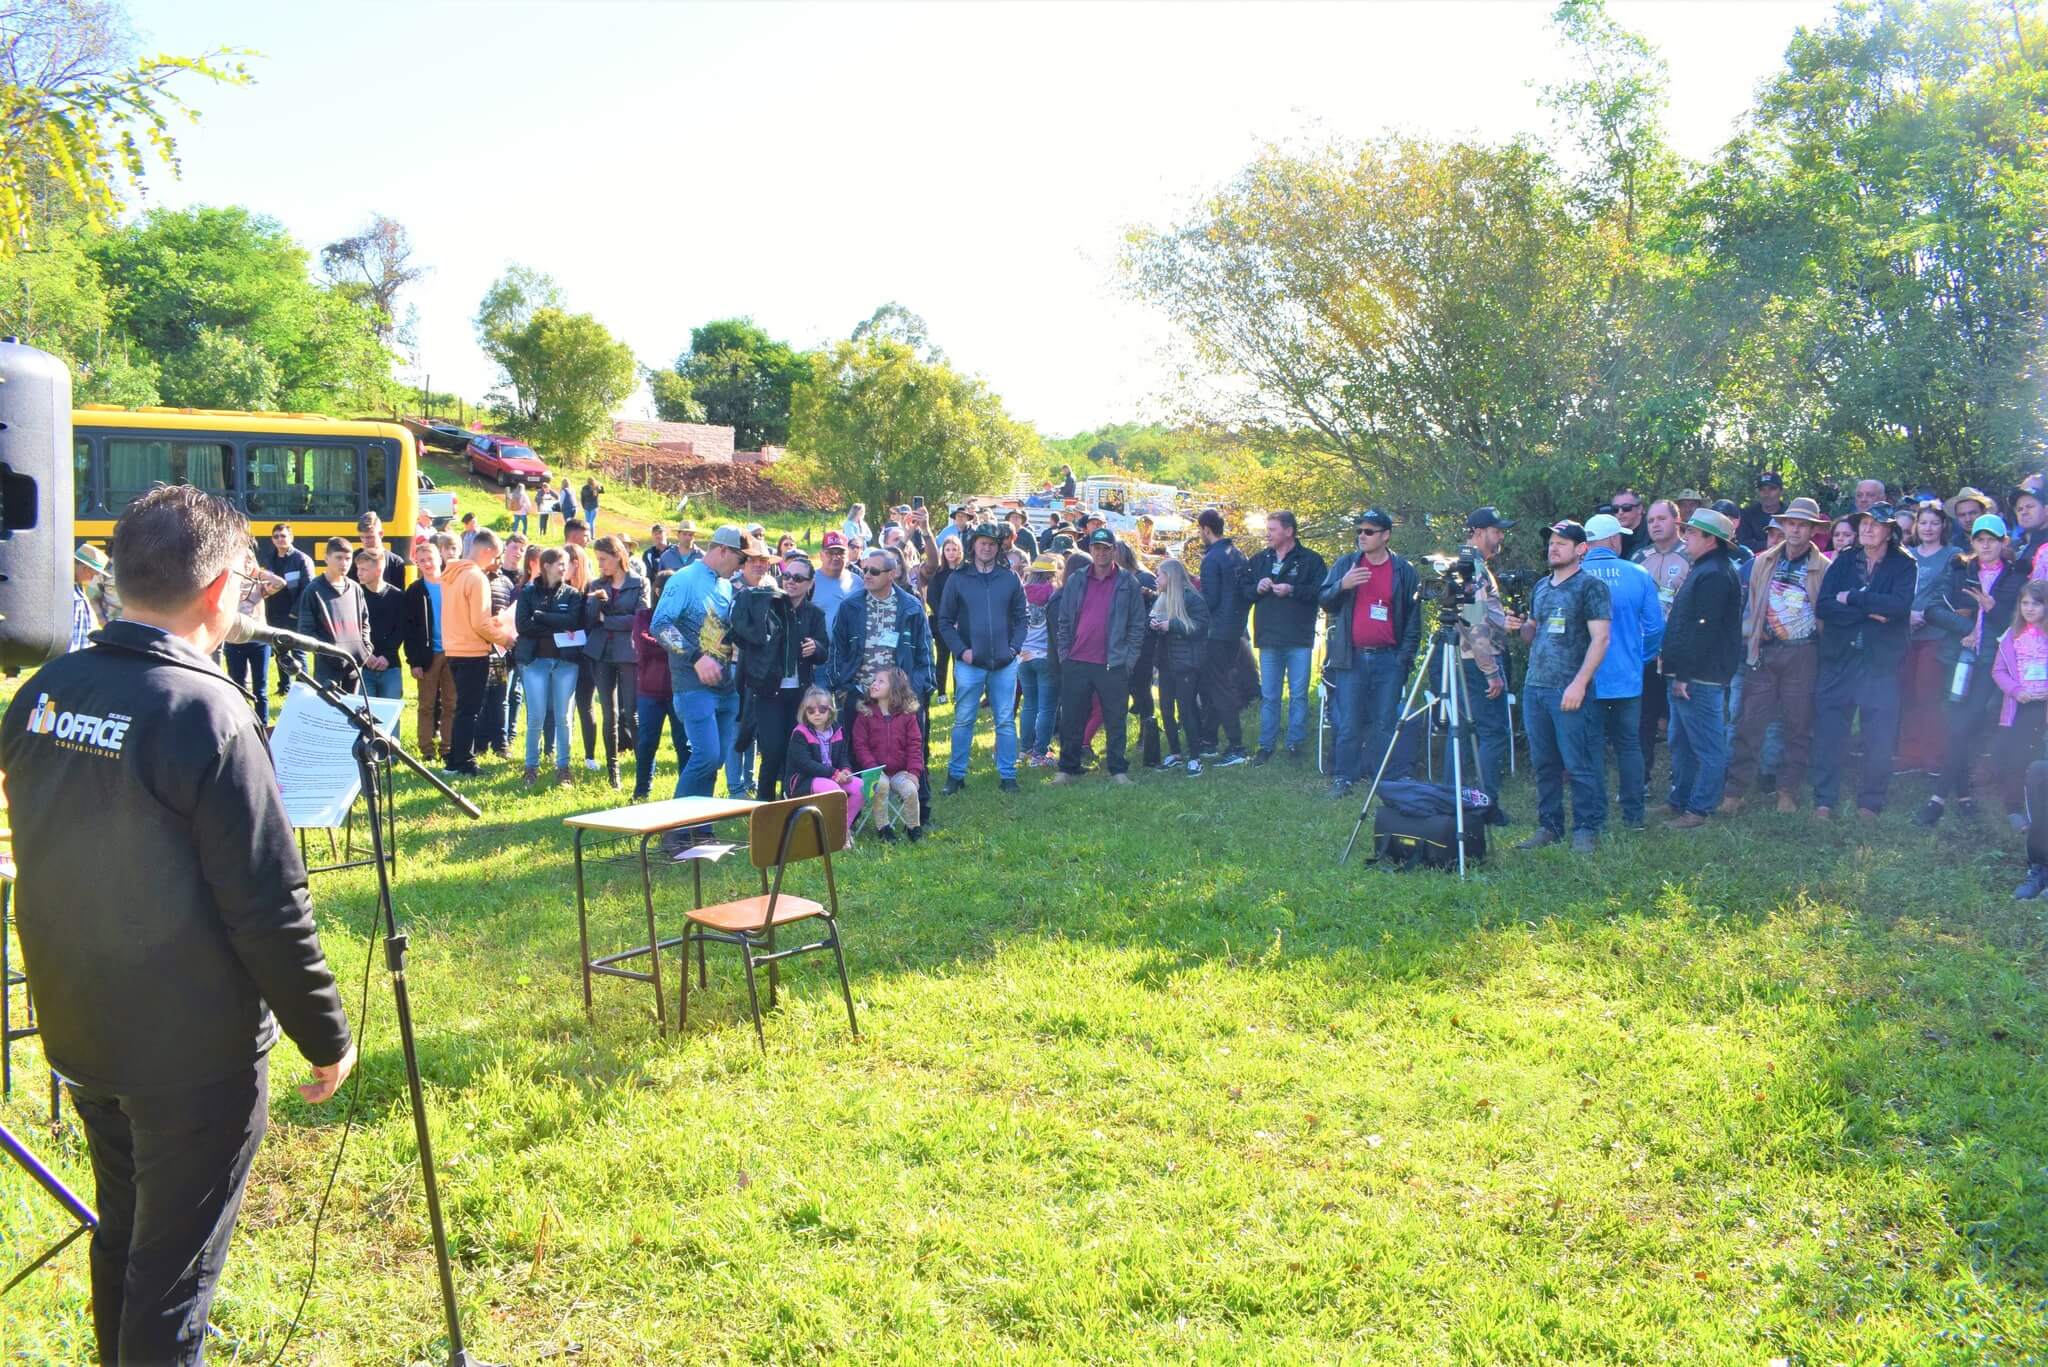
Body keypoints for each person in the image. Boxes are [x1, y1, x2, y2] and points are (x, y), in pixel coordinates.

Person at [1, 484, 355, 1366]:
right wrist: (326, 1034)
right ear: (223, 588)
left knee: (126, 1237)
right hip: (192, 1056)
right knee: (171, 1280)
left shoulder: (44, 691)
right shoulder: (210, 712)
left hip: (81, 1024)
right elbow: (269, 904)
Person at [1506, 521, 1612, 853]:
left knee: (1579, 763)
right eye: (1552, 542)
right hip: (1535, 687)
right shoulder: (1541, 586)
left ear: (1581, 549)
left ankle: (1586, 828)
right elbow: (1532, 633)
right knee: (1544, 763)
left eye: (1562, 543)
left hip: (1569, 688)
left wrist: (1579, 683)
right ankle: (1549, 826)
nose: (1553, 547)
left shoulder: (1591, 587)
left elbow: (1601, 639)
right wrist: (1518, 626)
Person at [1723, 497, 1829, 814]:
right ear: (1783, 526)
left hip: (1804, 652)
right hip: (1765, 651)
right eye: (1791, 523)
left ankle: (1787, 791)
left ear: (1813, 530)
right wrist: (1753, 633)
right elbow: (1747, 601)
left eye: (1803, 525)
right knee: (1749, 722)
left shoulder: (1824, 567)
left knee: (1798, 724)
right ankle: (1734, 791)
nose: (1795, 530)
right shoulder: (1763, 561)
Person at [1917, 515, 2023, 828]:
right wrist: (1966, 627)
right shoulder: (1959, 570)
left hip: (1991, 663)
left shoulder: (2016, 576)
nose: (1986, 545)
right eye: (1980, 539)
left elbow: (2021, 622)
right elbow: (1932, 609)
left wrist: (1992, 608)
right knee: (1956, 727)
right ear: (1972, 542)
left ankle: (1937, 799)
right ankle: (1963, 797)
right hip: (1958, 659)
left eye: (1992, 540)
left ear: (2004, 542)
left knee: (1965, 726)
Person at [1811, 502, 1915, 818]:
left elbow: (1898, 607)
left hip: (1880, 663)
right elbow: (1824, 606)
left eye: (1875, 524)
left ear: (1890, 531)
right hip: (1840, 658)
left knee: (1879, 736)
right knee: (1830, 731)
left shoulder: (1904, 564)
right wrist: (1869, 612)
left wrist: (1854, 598)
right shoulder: (1844, 560)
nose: (1867, 528)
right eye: (1863, 523)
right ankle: (1824, 800)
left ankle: (1871, 803)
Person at [1319, 509, 1421, 798]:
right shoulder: (1346, 564)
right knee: (1348, 722)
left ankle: (1382, 778)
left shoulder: (1404, 571)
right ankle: (1344, 777)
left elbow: (1414, 621)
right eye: (1359, 531)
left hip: (1389, 658)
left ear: (1386, 535)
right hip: (1351, 657)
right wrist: (1342, 585)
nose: (1361, 536)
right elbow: (1323, 600)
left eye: (1369, 531)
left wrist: (1403, 660)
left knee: (1384, 722)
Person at [1657, 508, 1743, 828]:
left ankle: (1700, 809)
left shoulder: (1715, 574)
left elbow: (1703, 630)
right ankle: (1680, 801)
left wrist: (1684, 674)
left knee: (1707, 746)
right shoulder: (1705, 569)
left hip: (1700, 676)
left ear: (1711, 540)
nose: (1686, 537)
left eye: (1692, 533)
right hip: (1689, 673)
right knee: (1681, 742)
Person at [652, 525, 746, 817]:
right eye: (740, 559)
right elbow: (660, 624)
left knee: (715, 760)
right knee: (706, 756)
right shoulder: (685, 579)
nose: (741, 566)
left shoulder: (726, 585)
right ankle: (674, 827)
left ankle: (700, 827)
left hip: (725, 688)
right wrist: (696, 658)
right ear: (723, 550)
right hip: (692, 685)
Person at [1579, 513, 1663, 830]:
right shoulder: (1638, 574)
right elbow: (1655, 627)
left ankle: (1596, 818)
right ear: (1614, 539)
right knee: (1629, 745)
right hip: (1627, 678)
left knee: (1592, 747)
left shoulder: (1575, 575)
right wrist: (1641, 657)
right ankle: (1633, 816)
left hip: (1586, 679)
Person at [1052, 528, 1149, 785]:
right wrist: (1065, 654)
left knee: (1116, 718)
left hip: (1113, 662)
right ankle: (1067, 768)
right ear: (1090, 549)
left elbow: (1138, 624)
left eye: (1106, 548)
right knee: (1071, 717)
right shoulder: (1077, 579)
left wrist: (1129, 659)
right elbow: (1064, 619)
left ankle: (1118, 770)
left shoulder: (1128, 582)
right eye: (1097, 547)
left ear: (1114, 550)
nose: (1101, 552)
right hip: (1076, 658)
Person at [937, 522, 1028, 794]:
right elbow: (944, 620)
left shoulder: (1010, 578)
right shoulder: (958, 578)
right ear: (973, 546)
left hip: (1004, 663)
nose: (986, 548)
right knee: (963, 719)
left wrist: (1013, 649)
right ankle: (956, 775)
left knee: (1005, 720)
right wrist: (961, 651)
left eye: (991, 544)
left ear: (998, 547)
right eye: (982, 543)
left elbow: (1022, 618)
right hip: (970, 663)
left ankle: (1008, 775)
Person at [737, 551, 829, 801]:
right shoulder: (768, 607)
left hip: (800, 694)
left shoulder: (815, 614)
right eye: (787, 575)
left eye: (798, 578)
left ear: (810, 583)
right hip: (769, 691)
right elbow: (748, 641)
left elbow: (824, 652)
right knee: (772, 751)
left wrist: (816, 648)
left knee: (796, 752)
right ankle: (764, 806)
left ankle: (792, 802)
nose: (790, 581)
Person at [1241, 509, 1328, 765]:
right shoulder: (1259, 560)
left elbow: (1321, 592)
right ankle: (1266, 745)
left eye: (1272, 529)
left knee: (1298, 694)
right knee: (1270, 695)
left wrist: (1292, 589)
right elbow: (1243, 590)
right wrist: (1257, 588)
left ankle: (1295, 744)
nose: (1267, 534)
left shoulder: (1311, 560)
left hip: (1298, 638)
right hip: (1268, 638)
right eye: (1267, 529)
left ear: (1289, 531)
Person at [439, 530, 516, 776]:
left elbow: (465, 617)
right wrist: (506, 639)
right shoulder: (476, 577)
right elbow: (479, 624)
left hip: (454, 648)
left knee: (462, 708)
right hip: (472, 651)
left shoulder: (452, 574)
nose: (496, 562)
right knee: (469, 711)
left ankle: (454, 760)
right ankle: (464, 761)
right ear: (486, 551)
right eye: (495, 556)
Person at [1457, 506, 1515, 817]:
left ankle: (1461, 801)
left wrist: (1505, 622)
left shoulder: (1469, 564)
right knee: (1493, 734)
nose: (1501, 536)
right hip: (1481, 659)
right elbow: (1474, 621)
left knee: (1468, 732)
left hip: (1472, 659)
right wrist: (1491, 670)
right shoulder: (1473, 568)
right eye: (1496, 531)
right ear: (1478, 532)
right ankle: (1486, 806)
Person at [582, 535, 649, 788]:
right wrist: (596, 604)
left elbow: (639, 619)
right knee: (608, 715)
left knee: (632, 714)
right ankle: (614, 774)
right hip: (601, 653)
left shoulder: (639, 582)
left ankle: (643, 773)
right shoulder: (597, 584)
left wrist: (607, 619)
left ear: (618, 556)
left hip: (628, 653)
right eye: (598, 559)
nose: (600, 564)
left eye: (603, 559)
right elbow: (590, 620)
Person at [515, 547, 586, 786]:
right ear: (546, 566)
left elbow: (572, 621)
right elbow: (523, 626)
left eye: (566, 564)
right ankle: (530, 767)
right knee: (536, 716)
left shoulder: (573, 594)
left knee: (564, 717)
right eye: (561, 564)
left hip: (565, 663)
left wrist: (540, 616)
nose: (565, 568)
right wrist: (556, 626)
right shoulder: (527, 593)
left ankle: (563, 768)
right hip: (535, 662)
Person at [1631, 499, 1691, 777]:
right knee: (1643, 717)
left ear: (1676, 521)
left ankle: (1682, 778)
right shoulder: (1639, 558)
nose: (1655, 524)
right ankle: (1641, 778)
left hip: (1679, 651)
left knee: (1680, 718)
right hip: (1645, 651)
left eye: (1661, 519)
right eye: (1651, 520)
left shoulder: (1691, 555)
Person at [1900, 502, 1961, 773]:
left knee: (1928, 694)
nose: (1928, 528)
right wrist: (1907, 614)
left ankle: (1934, 756)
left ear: (1943, 526)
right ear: (1916, 526)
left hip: (1935, 634)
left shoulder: (1953, 555)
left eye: (1934, 523)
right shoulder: (1907, 554)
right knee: (1907, 693)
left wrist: (1925, 612)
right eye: (1923, 522)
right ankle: (1909, 755)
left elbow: (1949, 591)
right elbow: (1899, 590)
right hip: (1906, 633)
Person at [1193, 508, 1252, 767]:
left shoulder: (1212, 558)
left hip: (1216, 632)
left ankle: (1236, 745)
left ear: (1206, 529)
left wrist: (1190, 605)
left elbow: (1211, 599)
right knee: (1215, 684)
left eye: (1200, 530)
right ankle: (1209, 740)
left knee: (1219, 687)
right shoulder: (1237, 554)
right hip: (1235, 629)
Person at [1150, 556, 1213, 775]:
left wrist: (1172, 625)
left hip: (1186, 663)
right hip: (1165, 663)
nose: (1156, 579)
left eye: (1159, 575)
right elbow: (1155, 621)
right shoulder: (1162, 599)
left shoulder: (1193, 599)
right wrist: (1154, 624)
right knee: (1166, 709)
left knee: (1186, 709)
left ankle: (1195, 756)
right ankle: (1175, 753)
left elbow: (1200, 627)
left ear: (1170, 576)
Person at [854, 666, 926, 841]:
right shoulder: (865, 714)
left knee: (910, 789)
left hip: (900, 771)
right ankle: (883, 828)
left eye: (881, 681)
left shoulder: (907, 715)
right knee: (881, 785)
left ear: (894, 688)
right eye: (874, 681)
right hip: (875, 770)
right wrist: (873, 768)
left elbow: (915, 745)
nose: (874, 684)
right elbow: (860, 745)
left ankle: (913, 828)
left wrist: (914, 772)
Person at [784, 686, 862, 843]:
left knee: (861, 787)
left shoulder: (837, 730)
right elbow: (806, 764)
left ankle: (842, 830)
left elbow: (843, 756)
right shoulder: (800, 733)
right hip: (803, 780)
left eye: (822, 709)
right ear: (804, 712)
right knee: (834, 790)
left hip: (832, 775)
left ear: (831, 710)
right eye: (811, 710)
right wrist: (834, 773)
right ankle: (833, 833)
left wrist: (846, 770)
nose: (817, 713)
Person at [401, 538, 453, 762]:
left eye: (430, 558)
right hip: (427, 655)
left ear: (439, 558)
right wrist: (414, 661)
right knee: (426, 705)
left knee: (451, 703)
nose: (427, 563)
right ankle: (427, 749)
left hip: (453, 652)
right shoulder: (415, 590)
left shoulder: (452, 584)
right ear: (417, 564)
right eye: (421, 561)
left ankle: (448, 747)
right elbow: (409, 629)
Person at [295, 536, 370, 687]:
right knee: (328, 702)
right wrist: (329, 652)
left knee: (353, 703)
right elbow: (306, 630)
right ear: (326, 558)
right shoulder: (314, 590)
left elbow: (364, 622)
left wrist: (365, 648)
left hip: (354, 666)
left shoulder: (355, 588)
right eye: (338, 558)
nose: (344, 563)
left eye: (348, 559)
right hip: (327, 669)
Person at [220, 545, 285, 720]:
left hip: (258, 642)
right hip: (235, 641)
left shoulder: (259, 586)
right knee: (238, 686)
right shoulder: (229, 586)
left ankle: (263, 723)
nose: (246, 564)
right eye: (243, 561)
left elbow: (280, 583)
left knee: (260, 688)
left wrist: (261, 573)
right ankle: (243, 721)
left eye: (249, 561)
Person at [260, 523, 315, 695]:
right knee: (280, 652)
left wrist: (295, 613)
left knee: (298, 652)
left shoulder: (301, 559)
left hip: (294, 614)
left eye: (283, 536)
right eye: (276, 536)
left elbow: (307, 589)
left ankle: (303, 689)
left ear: (291, 538)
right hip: (274, 614)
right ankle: (284, 687)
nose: (279, 539)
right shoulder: (269, 559)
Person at [1019, 554, 1063, 767]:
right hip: (1046, 656)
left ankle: (1025, 749)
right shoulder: (1054, 594)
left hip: (1023, 656)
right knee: (1047, 707)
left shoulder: (1021, 594)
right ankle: (1040, 753)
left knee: (1029, 704)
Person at [926, 536, 966, 701]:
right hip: (942, 623)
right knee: (942, 657)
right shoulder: (939, 573)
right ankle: (941, 693)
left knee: (959, 660)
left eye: (954, 549)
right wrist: (945, 617)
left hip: (962, 623)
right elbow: (932, 598)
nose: (951, 553)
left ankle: (958, 692)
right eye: (947, 549)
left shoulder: (965, 573)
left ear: (960, 551)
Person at [68, 542, 111, 652]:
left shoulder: (77, 589)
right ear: (85, 568)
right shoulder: (69, 593)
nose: (92, 578)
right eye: (93, 574)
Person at [350, 511, 407, 590]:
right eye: (362, 537)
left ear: (381, 534)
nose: (365, 541)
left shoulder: (396, 562)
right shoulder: (353, 558)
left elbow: (399, 594)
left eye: (370, 537)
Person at [812, 531, 859, 622]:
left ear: (847, 556)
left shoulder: (857, 582)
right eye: (830, 553)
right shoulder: (809, 581)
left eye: (841, 553)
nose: (835, 557)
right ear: (821, 555)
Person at [1736, 472, 1787, 553]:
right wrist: (1769, 544)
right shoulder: (1747, 514)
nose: (1766, 494)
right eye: (1762, 489)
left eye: (1772, 489)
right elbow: (1742, 544)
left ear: (1781, 491)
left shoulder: (1789, 514)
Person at [1610, 486, 1649, 558]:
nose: (1620, 512)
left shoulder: (1653, 534)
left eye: (1626, 507)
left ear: (1639, 509)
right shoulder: (1611, 535)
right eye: (1616, 509)